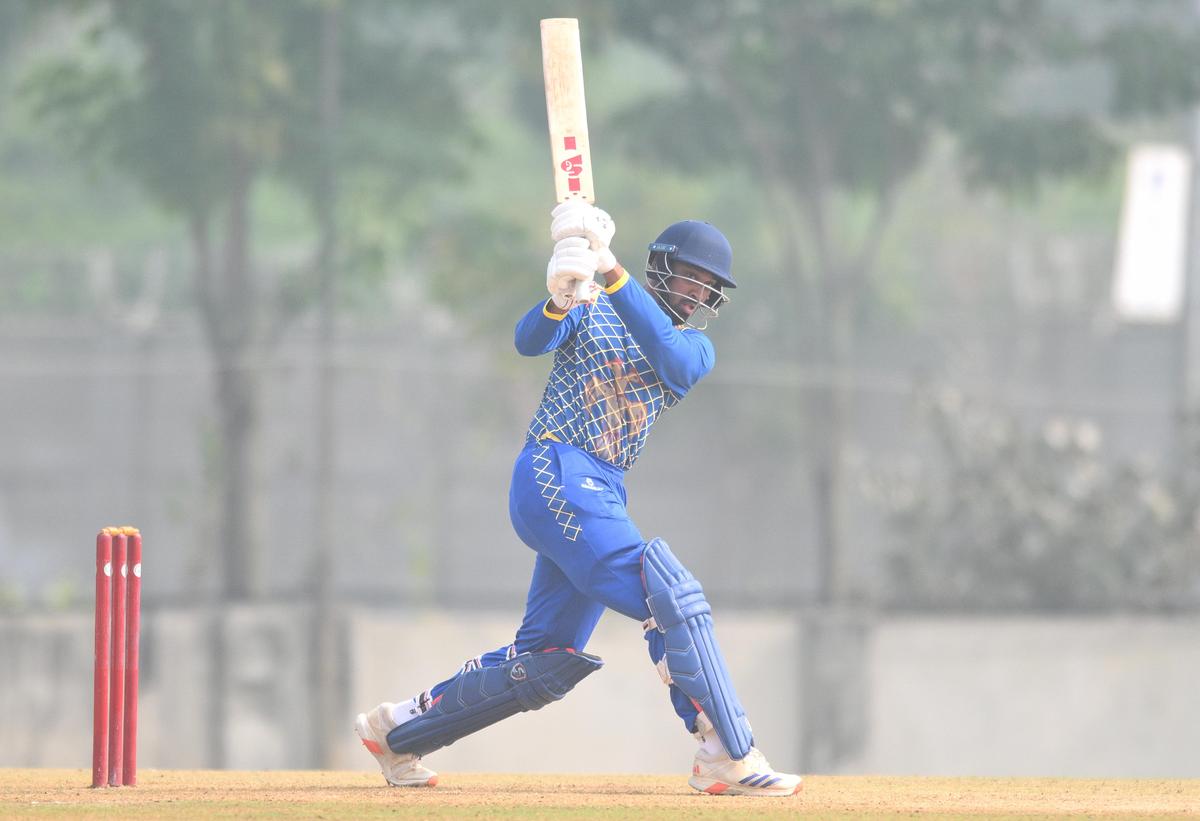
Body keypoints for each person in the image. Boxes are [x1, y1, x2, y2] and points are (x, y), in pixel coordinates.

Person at [354, 203, 802, 797]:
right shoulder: (590, 303)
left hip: (602, 488)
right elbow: (526, 340)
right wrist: (562, 296)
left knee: (546, 659)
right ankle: (725, 748)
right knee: (665, 593)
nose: (699, 293)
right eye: (693, 277)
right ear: (663, 269)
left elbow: (664, 353)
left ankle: (398, 732)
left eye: (710, 286)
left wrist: (609, 269)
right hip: (556, 466)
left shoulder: (693, 349)